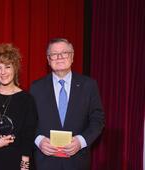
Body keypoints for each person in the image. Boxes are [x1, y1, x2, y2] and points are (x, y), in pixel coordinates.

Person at [30, 38, 104, 170]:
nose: (59, 57)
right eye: (54, 54)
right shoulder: (36, 87)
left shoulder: (89, 85)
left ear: (72, 56)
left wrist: (81, 141)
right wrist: (39, 140)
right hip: (45, 161)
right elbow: (28, 122)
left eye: (64, 53)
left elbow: (97, 120)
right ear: (48, 60)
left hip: (77, 161)